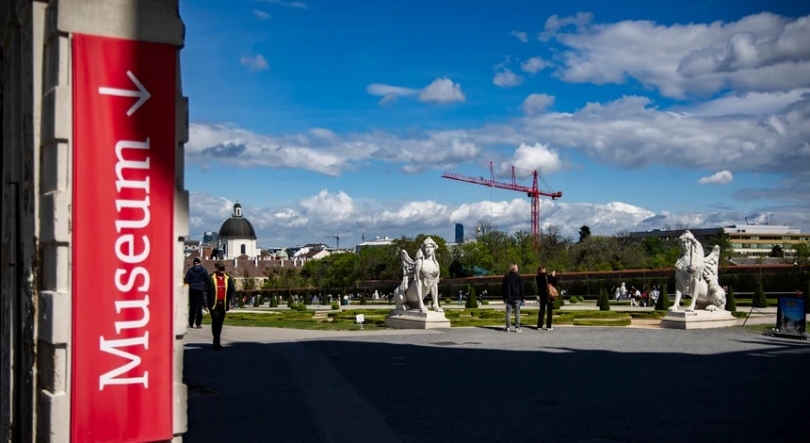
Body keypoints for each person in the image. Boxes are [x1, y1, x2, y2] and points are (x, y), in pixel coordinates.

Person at [204, 262, 236, 350]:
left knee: (220, 323)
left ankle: (216, 339)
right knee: (216, 321)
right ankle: (216, 342)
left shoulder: (228, 278)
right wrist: (206, 304)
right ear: (216, 268)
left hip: (223, 304)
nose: (222, 270)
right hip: (214, 304)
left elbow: (233, 291)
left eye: (223, 268)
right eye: (220, 268)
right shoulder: (211, 278)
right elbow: (205, 291)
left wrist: (232, 302)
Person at [184, 257, 209, 329]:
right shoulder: (204, 271)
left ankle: (191, 323)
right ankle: (198, 324)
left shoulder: (190, 271)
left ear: (194, 263)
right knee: (199, 308)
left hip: (192, 289)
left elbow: (187, 280)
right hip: (201, 290)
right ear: (199, 263)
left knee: (192, 307)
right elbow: (207, 280)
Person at [501, 263, 524, 332]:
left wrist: (504, 297)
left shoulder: (506, 277)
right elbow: (521, 288)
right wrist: (523, 297)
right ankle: (517, 328)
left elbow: (503, 288)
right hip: (517, 297)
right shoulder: (519, 277)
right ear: (515, 268)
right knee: (517, 313)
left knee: (508, 313)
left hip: (508, 297)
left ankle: (507, 327)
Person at [536, 266, 558, 330]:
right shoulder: (547, 276)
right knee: (549, 310)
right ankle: (549, 326)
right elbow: (554, 283)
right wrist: (553, 275)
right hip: (548, 295)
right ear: (543, 270)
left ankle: (539, 325)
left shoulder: (537, 277)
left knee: (542, 310)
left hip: (542, 295)